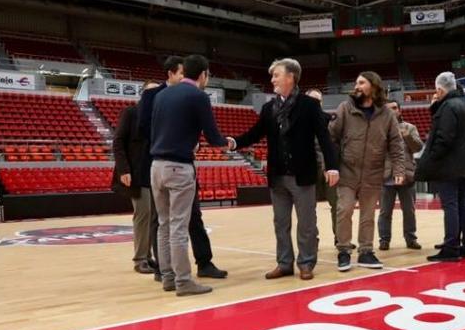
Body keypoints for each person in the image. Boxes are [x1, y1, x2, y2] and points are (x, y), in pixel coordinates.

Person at [229, 59, 339, 281]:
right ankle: (284, 263)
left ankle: (306, 262)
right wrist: (234, 143)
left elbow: (324, 138)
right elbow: (255, 133)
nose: (272, 80)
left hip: (302, 174)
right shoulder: (269, 108)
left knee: (306, 223)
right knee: (281, 222)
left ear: (291, 77)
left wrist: (332, 166)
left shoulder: (309, 105)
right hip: (277, 175)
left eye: (276, 75)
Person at [138, 56, 228, 284]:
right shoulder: (198, 96)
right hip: (179, 166)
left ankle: (167, 276)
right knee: (179, 226)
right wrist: (227, 142)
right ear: (203, 74)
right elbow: (212, 136)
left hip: (156, 166)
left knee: (164, 226)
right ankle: (183, 281)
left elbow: (152, 130)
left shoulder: (160, 95)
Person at [329, 71, 405, 272]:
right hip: (347, 171)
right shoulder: (345, 108)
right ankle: (344, 251)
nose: (357, 86)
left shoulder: (387, 114)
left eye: (361, 82)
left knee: (368, 215)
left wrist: (398, 169)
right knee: (344, 211)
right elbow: (330, 139)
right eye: (356, 82)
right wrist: (330, 167)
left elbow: (396, 144)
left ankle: (366, 252)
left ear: (373, 86)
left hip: (373, 172)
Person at [415, 72, 465, 262]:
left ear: (440, 90)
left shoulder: (448, 107)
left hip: (448, 164)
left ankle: (451, 247)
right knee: (463, 205)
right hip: (464, 162)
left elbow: (444, 138)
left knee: (450, 206)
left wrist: (432, 159)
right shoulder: (464, 104)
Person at [111, 79, 161, 274]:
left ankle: (149, 256)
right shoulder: (131, 113)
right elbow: (118, 142)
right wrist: (124, 170)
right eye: (150, 92)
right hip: (136, 174)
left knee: (154, 217)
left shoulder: (158, 117)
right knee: (143, 215)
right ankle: (140, 259)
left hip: (155, 173)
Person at [378, 100, 423, 251]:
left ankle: (411, 238)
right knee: (385, 211)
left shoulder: (410, 128)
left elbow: (418, 147)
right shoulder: (379, 129)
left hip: (406, 176)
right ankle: (384, 240)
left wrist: (407, 137)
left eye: (395, 108)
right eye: (389, 108)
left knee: (409, 210)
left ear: (400, 110)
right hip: (386, 177)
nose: (393, 111)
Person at [306, 88, 341, 246]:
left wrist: (329, 167)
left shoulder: (330, 120)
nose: (315, 104)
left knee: (337, 204)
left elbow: (333, 146)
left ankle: (340, 238)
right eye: (312, 101)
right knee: (308, 208)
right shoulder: (298, 122)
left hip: (329, 168)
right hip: (309, 169)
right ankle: (313, 240)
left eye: (318, 101)